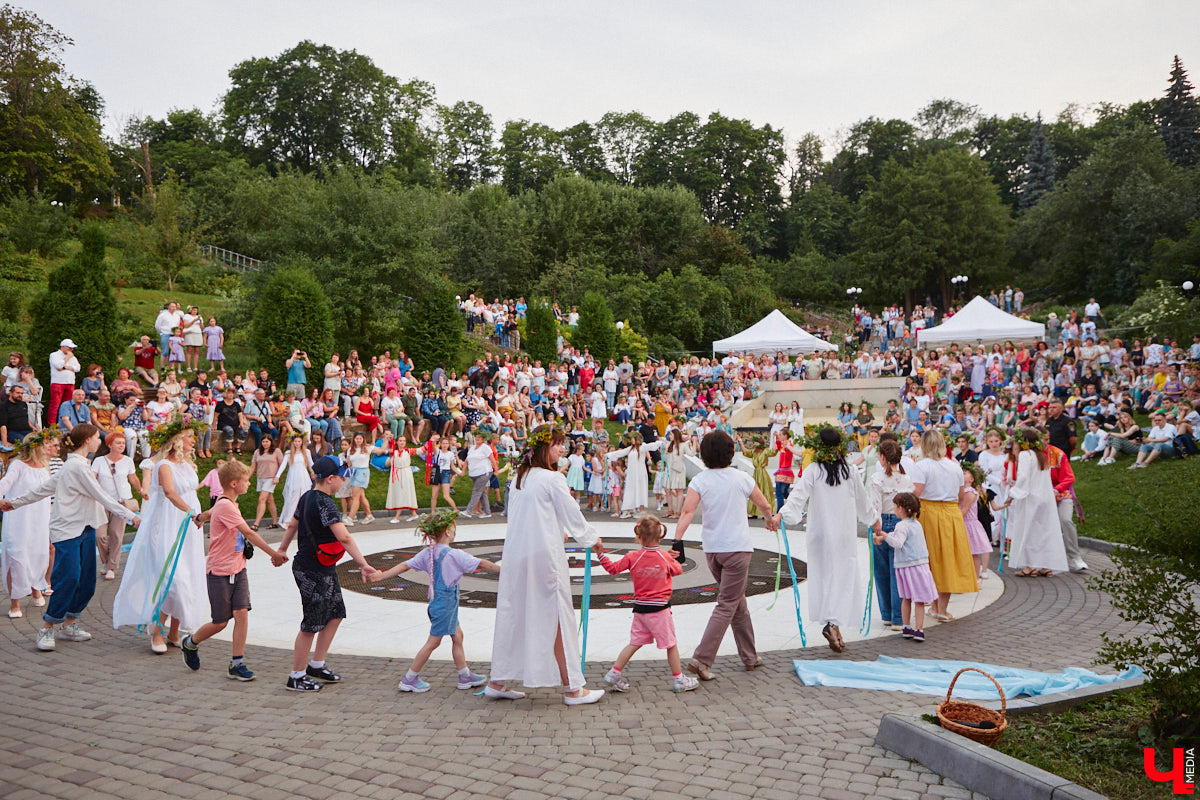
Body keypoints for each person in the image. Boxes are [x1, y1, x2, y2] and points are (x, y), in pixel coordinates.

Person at [486, 425, 605, 705]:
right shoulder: (552, 479)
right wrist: (592, 539)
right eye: (557, 444)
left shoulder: (520, 478)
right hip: (544, 559)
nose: (562, 449)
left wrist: (557, 530)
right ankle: (574, 688)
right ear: (543, 447)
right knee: (558, 617)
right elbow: (572, 513)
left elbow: (531, 516)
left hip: (517, 556)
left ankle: (497, 680)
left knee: (514, 613)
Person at [0, 424, 140, 651]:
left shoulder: (77, 465)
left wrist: (14, 503)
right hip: (67, 531)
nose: (99, 440)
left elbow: (43, 488)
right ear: (86, 441)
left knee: (87, 583)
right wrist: (133, 517)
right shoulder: (76, 467)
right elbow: (101, 496)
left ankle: (69, 623)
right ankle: (47, 626)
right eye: (96, 437)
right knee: (69, 578)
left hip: (87, 528)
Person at [673, 430, 776, 679]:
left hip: (712, 551)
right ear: (731, 453)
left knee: (737, 602)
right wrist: (769, 519)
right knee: (728, 603)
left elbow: (687, 513)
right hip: (737, 550)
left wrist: (677, 540)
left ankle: (750, 657)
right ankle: (701, 659)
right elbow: (764, 503)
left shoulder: (699, 481)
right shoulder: (741, 477)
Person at [276, 456, 380, 691]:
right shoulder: (325, 503)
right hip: (311, 568)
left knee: (335, 613)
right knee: (312, 622)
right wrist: (363, 564)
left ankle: (317, 664)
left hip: (322, 566)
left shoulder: (306, 498)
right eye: (342, 477)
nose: (343, 481)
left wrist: (282, 549)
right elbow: (344, 537)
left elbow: (293, 525)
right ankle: (297, 676)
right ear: (331, 479)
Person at [368, 509, 499, 692]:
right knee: (433, 642)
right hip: (445, 604)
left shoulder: (428, 553)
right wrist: (503, 569)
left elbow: (404, 566)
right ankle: (409, 679)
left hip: (440, 602)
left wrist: (382, 576)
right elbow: (481, 563)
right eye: (453, 529)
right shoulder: (454, 555)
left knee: (457, 636)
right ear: (447, 531)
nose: (454, 532)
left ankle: (464, 675)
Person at [181, 460, 288, 680]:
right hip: (220, 571)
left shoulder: (227, 503)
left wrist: (200, 518)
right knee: (220, 622)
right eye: (246, 480)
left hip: (238, 569)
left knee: (241, 614)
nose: (249, 484)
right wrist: (274, 554)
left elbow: (211, 511)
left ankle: (236, 663)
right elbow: (249, 533)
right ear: (233, 483)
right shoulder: (227, 506)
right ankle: (190, 643)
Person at [777, 428, 880, 653]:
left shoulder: (814, 470)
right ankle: (833, 624)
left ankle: (833, 624)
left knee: (824, 576)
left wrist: (781, 514)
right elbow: (863, 500)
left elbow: (797, 496)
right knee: (842, 576)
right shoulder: (849, 470)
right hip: (843, 534)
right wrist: (874, 521)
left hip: (819, 534)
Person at [111, 420, 208, 653]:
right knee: (172, 578)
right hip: (168, 524)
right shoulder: (163, 464)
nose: (193, 441)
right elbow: (169, 492)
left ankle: (175, 631)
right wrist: (191, 513)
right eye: (188, 437)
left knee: (188, 576)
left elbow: (188, 491)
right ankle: (157, 632)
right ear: (176, 440)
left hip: (188, 526)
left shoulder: (187, 464)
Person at [597, 515, 698, 694]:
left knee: (635, 642)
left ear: (639, 536)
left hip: (640, 609)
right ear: (660, 535)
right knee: (670, 644)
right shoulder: (664, 557)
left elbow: (612, 569)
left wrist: (600, 553)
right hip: (659, 609)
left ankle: (614, 673)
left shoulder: (632, 556)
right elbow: (678, 570)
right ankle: (679, 680)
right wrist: (671, 557)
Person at [907, 429, 977, 622]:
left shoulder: (921, 466)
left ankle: (934, 605)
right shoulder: (955, 466)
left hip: (929, 512)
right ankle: (941, 608)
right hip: (952, 512)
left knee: (931, 560)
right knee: (948, 559)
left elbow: (917, 492)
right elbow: (961, 496)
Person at [1, 428, 59, 616]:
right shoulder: (17, 465)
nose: (48, 447)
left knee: (38, 554)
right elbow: (5, 483)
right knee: (16, 555)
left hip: (39, 519)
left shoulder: (44, 467)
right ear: (36, 447)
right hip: (18, 519)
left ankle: (36, 589)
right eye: (45, 444)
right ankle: (15, 603)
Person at [1003, 428, 1069, 577]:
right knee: (1043, 531)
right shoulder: (1041, 455)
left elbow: (1024, 477)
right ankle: (1045, 565)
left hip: (1031, 498)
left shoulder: (1026, 455)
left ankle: (1029, 566)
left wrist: (1012, 494)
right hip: (1044, 498)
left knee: (1028, 531)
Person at [873, 492, 938, 642]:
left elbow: (897, 543)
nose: (894, 510)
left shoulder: (901, 525)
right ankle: (918, 629)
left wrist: (885, 537)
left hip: (906, 567)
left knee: (906, 598)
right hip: (919, 564)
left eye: (895, 507)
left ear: (901, 509)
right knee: (919, 600)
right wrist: (884, 535)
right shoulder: (917, 524)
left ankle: (908, 626)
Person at [868, 440, 912, 632]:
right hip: (900, 522)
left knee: (881, 571)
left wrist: (876, 529)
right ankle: (897, 617)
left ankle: (887, 614)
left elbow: (874, 506)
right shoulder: (906, 479)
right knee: (898, 572)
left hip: (881, 522)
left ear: (883, 457)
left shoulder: (877, 478)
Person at [91, 431, 144, 581]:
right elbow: (92, 478)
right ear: (109, 445)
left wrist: (140, 490)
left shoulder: (127, 461)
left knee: (116, 534)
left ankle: (111, 567)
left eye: (123, 443)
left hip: (122, 502)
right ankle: (105, 561)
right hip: (102, 501)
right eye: (118, 443)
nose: (122, 445)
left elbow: (133, 478)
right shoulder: (99, 461)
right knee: (99, 535)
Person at [606, 431, 662, 518]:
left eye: (632, 438)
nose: (631, 440)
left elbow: (651, 445)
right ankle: (627, 509)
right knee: (630, 490)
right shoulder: (631, 448)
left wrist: (661, 442)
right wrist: (608, 455)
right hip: (632, 474)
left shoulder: (642, 447)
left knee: (640, 490)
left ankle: (642, 510)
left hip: (640, 473)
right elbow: (621, 452)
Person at [960, 463, 992, 582]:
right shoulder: (963, 491)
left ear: (971, 479)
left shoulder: (969, 492)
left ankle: (976, 577)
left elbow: (964, 510)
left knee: (973, 553)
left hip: (968, 524)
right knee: (967, 553)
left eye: (964, 473)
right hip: (965, 523)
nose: (962, 474)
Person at [276, 434, 314, 527]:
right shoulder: (289, 453)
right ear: (293, 442)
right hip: (293, 477)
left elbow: (311, 464)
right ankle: (288, 520)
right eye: (295, 441)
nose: (297, 443)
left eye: (299, 441)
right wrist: (277, 476)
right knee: (293, 498)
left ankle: (306, 520)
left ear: (302, 442)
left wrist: (314, 472)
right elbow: (283, 465)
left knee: (304, 497)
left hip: (303, 476)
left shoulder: (306, 452)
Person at [343, 432, 379, 525]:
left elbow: (381, 450)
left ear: (363, 439)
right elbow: (349, 462)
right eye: (357, 438)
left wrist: (386, 440)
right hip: (353, 472)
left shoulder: (367, 448)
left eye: (360, 438)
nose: (358, 440)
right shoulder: (351, 449)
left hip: (362, 472)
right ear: (354, 439)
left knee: (355, 496)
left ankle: (350, 518)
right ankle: (369, 515)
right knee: (361, 496)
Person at [250, 435, 284, 530]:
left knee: (262, 499)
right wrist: (246, 478)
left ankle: (256, 524)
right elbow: (253, 467)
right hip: (261, 478)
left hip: (271, 478)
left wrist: (277, 477)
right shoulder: (257, 452)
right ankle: (275, 522)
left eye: (267, 441)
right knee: (270, 500)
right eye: (263, 441)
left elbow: (282, 465)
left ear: (271, 442)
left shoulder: (276, 451)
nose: (265, 443)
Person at [386, 435, 421, 523]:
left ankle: (397, 517)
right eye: (400, 441)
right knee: (401, 493)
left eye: (404, 441)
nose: (402, 442)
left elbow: (420, 450)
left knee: (403, 493)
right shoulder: (393, 451)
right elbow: (390, 445)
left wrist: (431, 442)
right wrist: (390, 438)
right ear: (397, 442)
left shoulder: (408, 451)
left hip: (406, 474)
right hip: (397, 474)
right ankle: (413, 514)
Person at [47, 339, 81, 428]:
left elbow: (77, 368)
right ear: (63, 347)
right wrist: (67, 358)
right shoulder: (54, 355)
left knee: (67, 405)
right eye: (70, 348)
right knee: (55, 405)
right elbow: (58, 366)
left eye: (72, 348)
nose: (71, 350)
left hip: (70, 382)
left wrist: (65, 367)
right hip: (58, 382)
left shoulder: (73, 357)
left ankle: (66, 425)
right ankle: (52, 426)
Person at [463, 432, 497, 518]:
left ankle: (469, 510)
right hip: (474, 473)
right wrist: (463, 471)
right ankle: (487, 512)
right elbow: (467, 460)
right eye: (476, 437)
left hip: (484, 472)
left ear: (483, 439)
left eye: (479, 437)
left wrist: (496, 470)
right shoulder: (472, 448)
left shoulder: (485, 448)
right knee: (482, 493)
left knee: (476, 491)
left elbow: (492, 459)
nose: (477, 439)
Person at [0, 383, 34, 451]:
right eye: (18, 393)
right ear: (10, 393)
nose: (20, 395)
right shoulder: (4, 406)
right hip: (12, 431)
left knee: (37, 440)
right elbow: (2, 425)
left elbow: (25, 419)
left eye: (21, 393)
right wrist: (4, 441)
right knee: (24, 442)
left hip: (26, 430)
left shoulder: (23, 404)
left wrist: (34, 428)